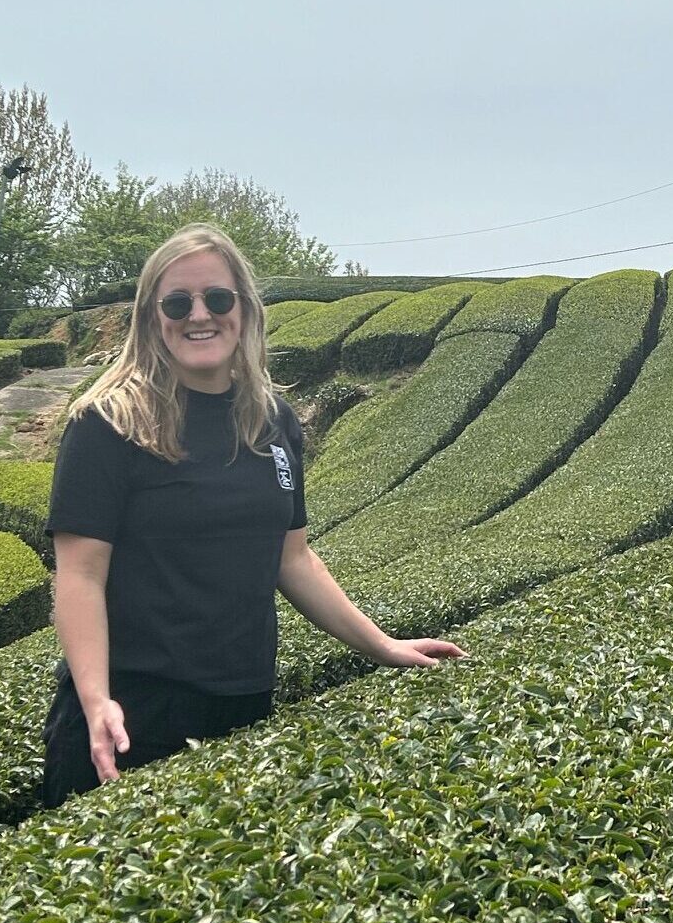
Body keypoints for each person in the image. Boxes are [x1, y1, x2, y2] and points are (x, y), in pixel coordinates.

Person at [42, 223, 464, 807]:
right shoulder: (108, 424)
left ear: (244, 309)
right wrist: (96, 700)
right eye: (177, 302)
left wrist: (382, 646)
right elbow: (80, 576)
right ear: (151, 317)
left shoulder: (271, 420)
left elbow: (292, 557)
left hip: (243, 702)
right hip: (132, 710)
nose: (199, 315)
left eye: (217, 298)